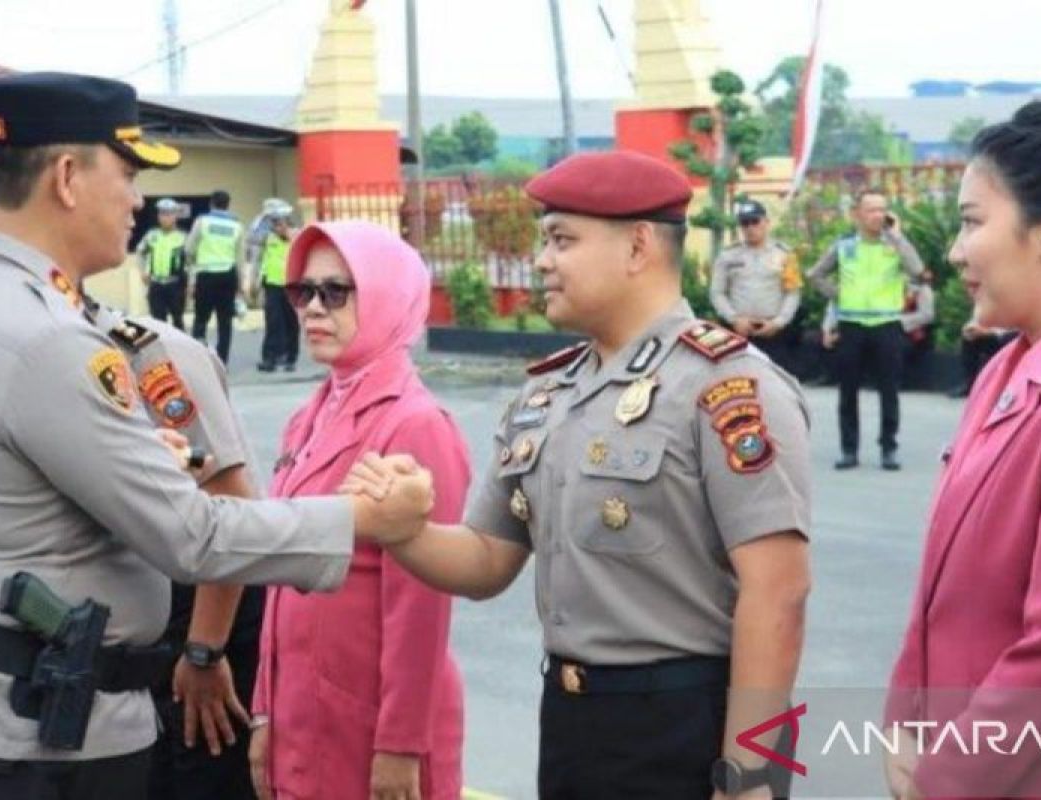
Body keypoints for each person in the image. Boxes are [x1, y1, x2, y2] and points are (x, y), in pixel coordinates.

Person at [0, 71, 433, 800]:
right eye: (128, 174)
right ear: (69, 177)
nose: (137, 200)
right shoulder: (49, 341)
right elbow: (193, 537)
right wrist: (364, 518)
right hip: (37, 748)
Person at [343, 151, 812, 800]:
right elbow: (485, 560)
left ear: (639, 246)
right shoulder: (548, 396)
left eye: (562, 240)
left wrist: (750, 772)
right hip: (571, 722)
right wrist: (404, 528)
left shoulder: (728, 385)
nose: (542, 261)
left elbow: (778, 592)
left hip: (686, 723)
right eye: (543, 242)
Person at [885, 101, 1041, 799]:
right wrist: (906, 717)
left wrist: (948, 774)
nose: (955, 250)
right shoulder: (1008, 366)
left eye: (971, 222)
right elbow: (943, 588)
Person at [250, 221, 469, 800]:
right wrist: (264, 711)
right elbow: (281, 580)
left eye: (336, 292)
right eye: (303, 292)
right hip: (301, 713)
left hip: (371, 725)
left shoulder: (413, 423)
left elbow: (421, 608)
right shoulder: (310, 415)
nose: (313, 309)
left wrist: (400, 745)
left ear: (388, 297)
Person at [82, 300, 265, 800]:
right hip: (127, 614)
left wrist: (205, 652)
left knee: (198, 770)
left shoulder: (148, 358)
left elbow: (230, 511)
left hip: (205, 603)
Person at [808, 189, 925, 471]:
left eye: (882, 208)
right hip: (852, 325)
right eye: (871, 209)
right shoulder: (844, 246)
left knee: (889, 390)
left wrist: (897, 236)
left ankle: (888, 448)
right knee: (848, 390)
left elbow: (917, 269)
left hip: (887, 324)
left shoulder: (894, 245)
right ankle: (849, 450)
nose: (878, 215)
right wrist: (839, 294)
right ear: (857, 214)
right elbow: (815, 274)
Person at [709, 198, 804, 373]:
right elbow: (717, 293)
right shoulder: (728, 255)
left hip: (772, 331)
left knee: (775, 386)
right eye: (745, 223)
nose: (750, 228)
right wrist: (734, 319)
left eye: (755, 221)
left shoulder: (784, 254)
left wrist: (779, 322)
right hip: (738, 330)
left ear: (766, 222)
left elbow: (792, 293)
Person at [188, 189, 243, 363]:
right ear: (228, 205)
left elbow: (189, 249)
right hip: (228, 275)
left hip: (206, 275)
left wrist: (193, 270)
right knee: (225, 321)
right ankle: (222, 361)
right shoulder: (237, 226)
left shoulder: (202, 222)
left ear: (211, 203)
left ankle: (198, 358)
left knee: (201, 318)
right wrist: (240, 285)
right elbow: (240, 258)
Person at [254, 204, 300, 373]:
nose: (278, 228)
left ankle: (290, 357)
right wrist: (263, 216)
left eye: (281, 224)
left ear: (288, 223)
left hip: (292, 284)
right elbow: (253, 237)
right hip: (272, 283)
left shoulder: (297, 236)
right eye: (275, 224)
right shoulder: (268, 238)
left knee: (291, 322)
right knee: (273, 321)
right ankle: (270, 358)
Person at [136, 197, 188, 330]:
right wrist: (143, 271)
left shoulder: (183, 237)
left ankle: (180, 348)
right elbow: (140, 252)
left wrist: (191, 282)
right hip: (156, 284)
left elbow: (191, 261)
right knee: (158, 323)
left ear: (175, 216)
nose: (164, 218)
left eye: (168, 214)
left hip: (175, 284)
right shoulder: (152, 235)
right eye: (162, 214)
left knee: (178, 321)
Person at [946, 307, 1011, 398]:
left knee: (1007, 338)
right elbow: (976, 320)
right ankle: (970, 384)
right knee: (969, 339)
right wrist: (970, 329)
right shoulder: (985, 299)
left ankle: (999, 386)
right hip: (990, 334)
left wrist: (990, 332)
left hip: (1009, 336)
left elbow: (1015, 328)